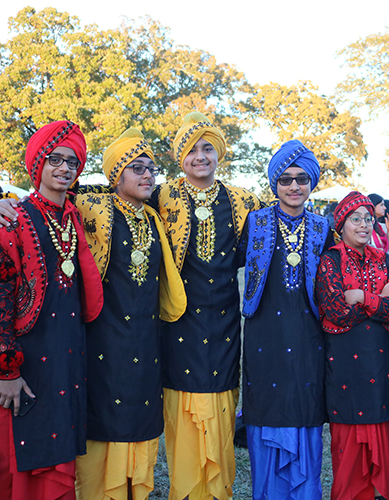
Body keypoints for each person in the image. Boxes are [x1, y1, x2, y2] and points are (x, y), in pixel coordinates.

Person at [0, 120, 104, 500]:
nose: (64, 168)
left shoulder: (73, 217)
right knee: (22, 466)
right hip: (26, 363)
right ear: (37, 164)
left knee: (59, 460)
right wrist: (7, 370)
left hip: (67, 359)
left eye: (72, 161)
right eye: (54, 159)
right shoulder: (13, 219)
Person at [72, 129, 186, 500]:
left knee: (140, 418)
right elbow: (50, 204)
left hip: (146, 340)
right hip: (103, 339)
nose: (147, 176)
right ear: (115, 175)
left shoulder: (154, 219)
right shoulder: (94, 208)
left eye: (151, 169)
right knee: (103, 418)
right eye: (137, 169)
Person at [154, 112, 260, 500]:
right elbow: (107, 199)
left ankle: (217, 492)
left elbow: (284, 224)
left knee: (219, 408)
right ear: (180, 158)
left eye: (208, 148)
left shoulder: (243, 200)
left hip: (224, 323)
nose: (200, 156)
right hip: (178, 321)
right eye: (191, 149)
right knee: (181, 412)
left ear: (219, 153)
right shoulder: (161, 195)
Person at [241, 140, 332, 500]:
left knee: (304, 408)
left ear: (312, 183)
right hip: (266, 334)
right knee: (267, 406)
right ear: (274, 184)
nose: (294, 187)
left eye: (302, 179)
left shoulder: (324, 228)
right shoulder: (256, 222)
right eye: (285, 179)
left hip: (309, 334)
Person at [316, 191, 389, 500]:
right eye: (356, 219)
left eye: (369, 218)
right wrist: (380, 299)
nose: (365, 225)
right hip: (344, 367)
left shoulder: (384, 259)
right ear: (341, 225)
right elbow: (336, 313)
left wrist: (361, 297)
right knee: (348, 447)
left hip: (378, 364)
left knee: (380, 438)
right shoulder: (331, 259)